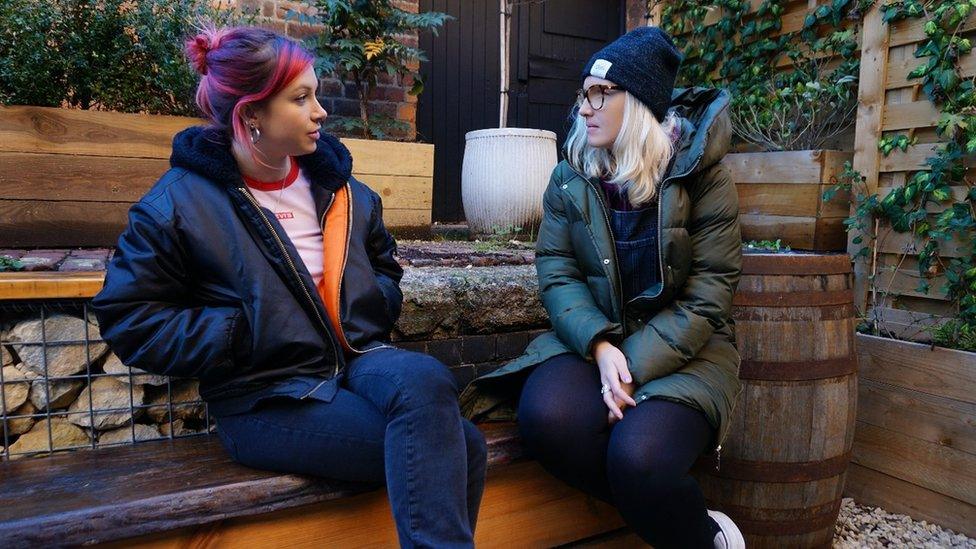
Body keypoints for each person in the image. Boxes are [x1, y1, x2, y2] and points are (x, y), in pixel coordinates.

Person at [92, 26, 486, 548]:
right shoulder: (177, 207)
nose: (320, 111)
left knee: (425, 380)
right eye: (301, 98)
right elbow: (130, 317)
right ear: (250, 115)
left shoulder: (342, 190)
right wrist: (240, 333)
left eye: (315, 95)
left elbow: (384, 267)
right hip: (265, 396)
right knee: (463, 446)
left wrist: (373, 305)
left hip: (357, 360)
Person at [461, 26, 745, 549]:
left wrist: (632, 364)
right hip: (596, 343)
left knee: (639, 459)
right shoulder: (571, 176)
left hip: (689, 354)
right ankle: (676, 518)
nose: (585, 108)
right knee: (547, 418)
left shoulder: (704, 179)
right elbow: (558, 271)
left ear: (637, 102)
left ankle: (704, 538)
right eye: (583, 94)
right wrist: (598, 343)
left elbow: (710, 293)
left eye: (600, 93)